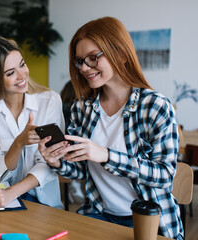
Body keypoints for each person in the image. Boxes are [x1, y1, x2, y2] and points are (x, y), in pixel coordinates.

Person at [38, 17, 183, 239]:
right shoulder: (82, 108)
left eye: (93, 58)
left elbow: (164, 176)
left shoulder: (155, 107)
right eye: (80, 61)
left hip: (149, 223)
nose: (85, 68)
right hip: (98, 214)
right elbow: (81, 171)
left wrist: (105, 155)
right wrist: (56, 161)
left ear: (122, 54)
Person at [0, 37, 64, 209]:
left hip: (42, 202)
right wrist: (19, 143)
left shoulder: (49, 101)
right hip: (0, 199)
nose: (22, 75)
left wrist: (12, 193)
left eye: (22, 64)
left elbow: (51, 161)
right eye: (10, 73)